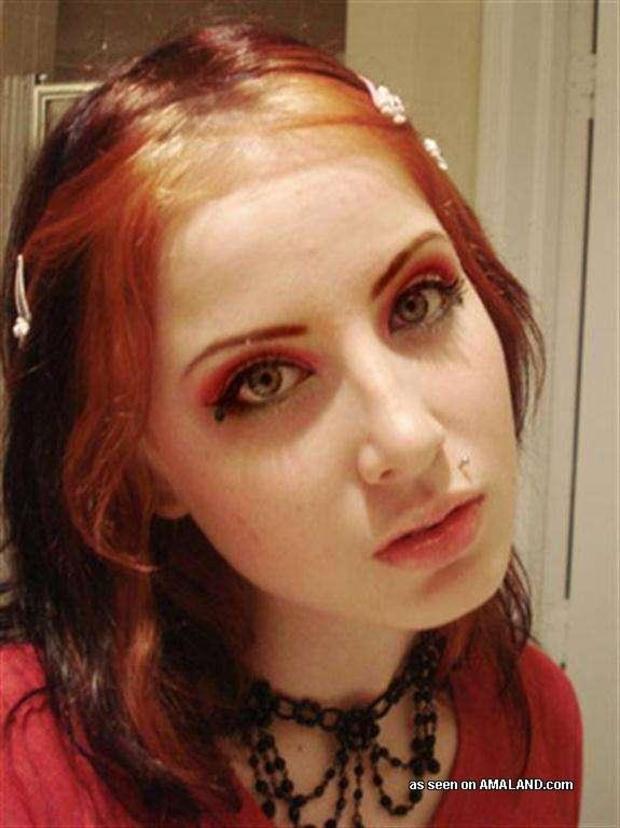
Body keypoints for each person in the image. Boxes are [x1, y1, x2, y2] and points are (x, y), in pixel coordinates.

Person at [0, 20, 582, 828]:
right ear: (140, 468)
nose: (409, 439)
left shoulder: (533, 728)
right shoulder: (27, 779)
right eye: (264, 381)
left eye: (419, 301)